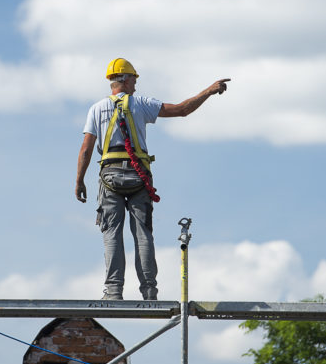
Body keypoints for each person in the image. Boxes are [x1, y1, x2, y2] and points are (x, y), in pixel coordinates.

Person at [75, 58, 230, 300]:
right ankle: (149, 292)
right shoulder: (141, 104)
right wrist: (208, 91)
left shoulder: (96, 109)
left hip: (109, 177)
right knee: (143, 234)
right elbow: (182, 110)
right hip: (139, 176)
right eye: (134, 78)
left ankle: (113, 292)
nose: (136, 83)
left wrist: (79, 181)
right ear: (125, 79)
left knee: (112, 233)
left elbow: (86, 149)